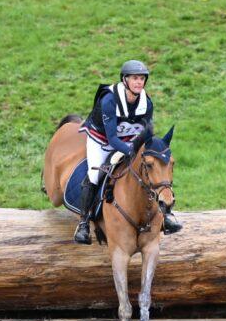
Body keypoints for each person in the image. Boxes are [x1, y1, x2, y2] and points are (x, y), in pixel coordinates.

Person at [74, 60, 182, 244]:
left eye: (141, 79)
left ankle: (167, 215)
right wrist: (133, 152)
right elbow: (112, 139)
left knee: (153, 169)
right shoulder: (109, 100)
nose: (139, 82)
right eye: (134, 78)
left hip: (129, 140)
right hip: (102, 141)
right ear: (125, 80)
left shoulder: (146, 102)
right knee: (94, 175)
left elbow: (146, 132)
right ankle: (83, 224)